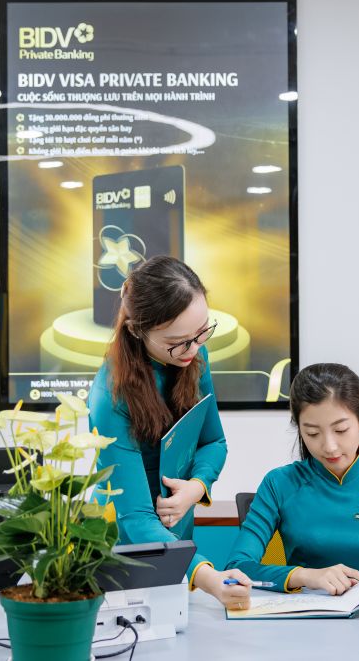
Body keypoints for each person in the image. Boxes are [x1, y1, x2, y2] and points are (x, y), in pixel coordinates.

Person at [89, 255, 252, 610]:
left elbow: (213, 442)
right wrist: (210, 578)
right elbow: (135, 519)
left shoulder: (194, 356)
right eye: (178, 342)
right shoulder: (109, 396)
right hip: (124, 547)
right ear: (136, 330)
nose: (194, 349)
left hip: (178, 540)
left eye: (202, 332)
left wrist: (196, 488)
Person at [224, 363, 359, 594]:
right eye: (312, 433)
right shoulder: (280, 484)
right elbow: (237, 568)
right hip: (308, 612)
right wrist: (304, 575)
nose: (329, 446)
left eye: (341, 430)